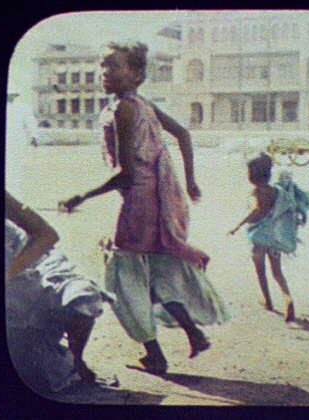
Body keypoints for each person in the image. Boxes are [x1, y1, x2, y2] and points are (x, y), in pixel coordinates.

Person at [58, 41, 229, 374]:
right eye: (103, 66)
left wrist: (80, 196)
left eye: (114, 66)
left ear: (137, 74)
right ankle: (193, 334)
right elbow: (183, 134)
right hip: (157, 203)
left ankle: (155, 355)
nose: (105, 72)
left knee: (125, 281)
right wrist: (190, 181)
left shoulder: (124, 108)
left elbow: (126, 174)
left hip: (139, 205)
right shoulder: (142, 104)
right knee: (157, 274)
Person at [5, 191, 114, 395]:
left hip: (25, 274)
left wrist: (7, 275)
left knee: (82, 296)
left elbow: (47, 235)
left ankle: (76, 359)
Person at [229, 153, 309, 322]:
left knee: (261, 271)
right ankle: (287, 297)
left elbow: (256, 210)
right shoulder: (277, 191)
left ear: (251, 176)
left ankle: (268, 301)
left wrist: (238, 225)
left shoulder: (256, 192)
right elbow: (287, 207)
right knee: (277, 272)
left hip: (259, 238)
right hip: (275, 236)